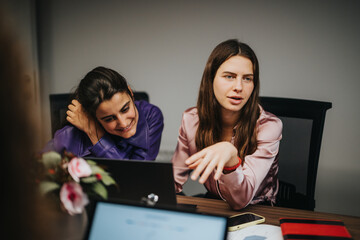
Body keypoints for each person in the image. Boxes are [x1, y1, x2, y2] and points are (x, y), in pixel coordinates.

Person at [171, 39, 282, 210]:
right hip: (215, 204)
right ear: (211, 79)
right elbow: (172, 183)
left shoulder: (268, 126)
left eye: (247, 79)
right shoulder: (191, 119)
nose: (238, 87)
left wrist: (231, 157)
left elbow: (241, 200)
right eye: (229, 76)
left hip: (259, 210)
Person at [44, 66, 164, 160]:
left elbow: (137, 178)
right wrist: (92, 131)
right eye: (109, 119)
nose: (123, 123)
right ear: (93, 118)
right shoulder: (68, 136)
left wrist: (97, 137)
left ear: (131, 93)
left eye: (125, 109)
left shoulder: (151, 116)